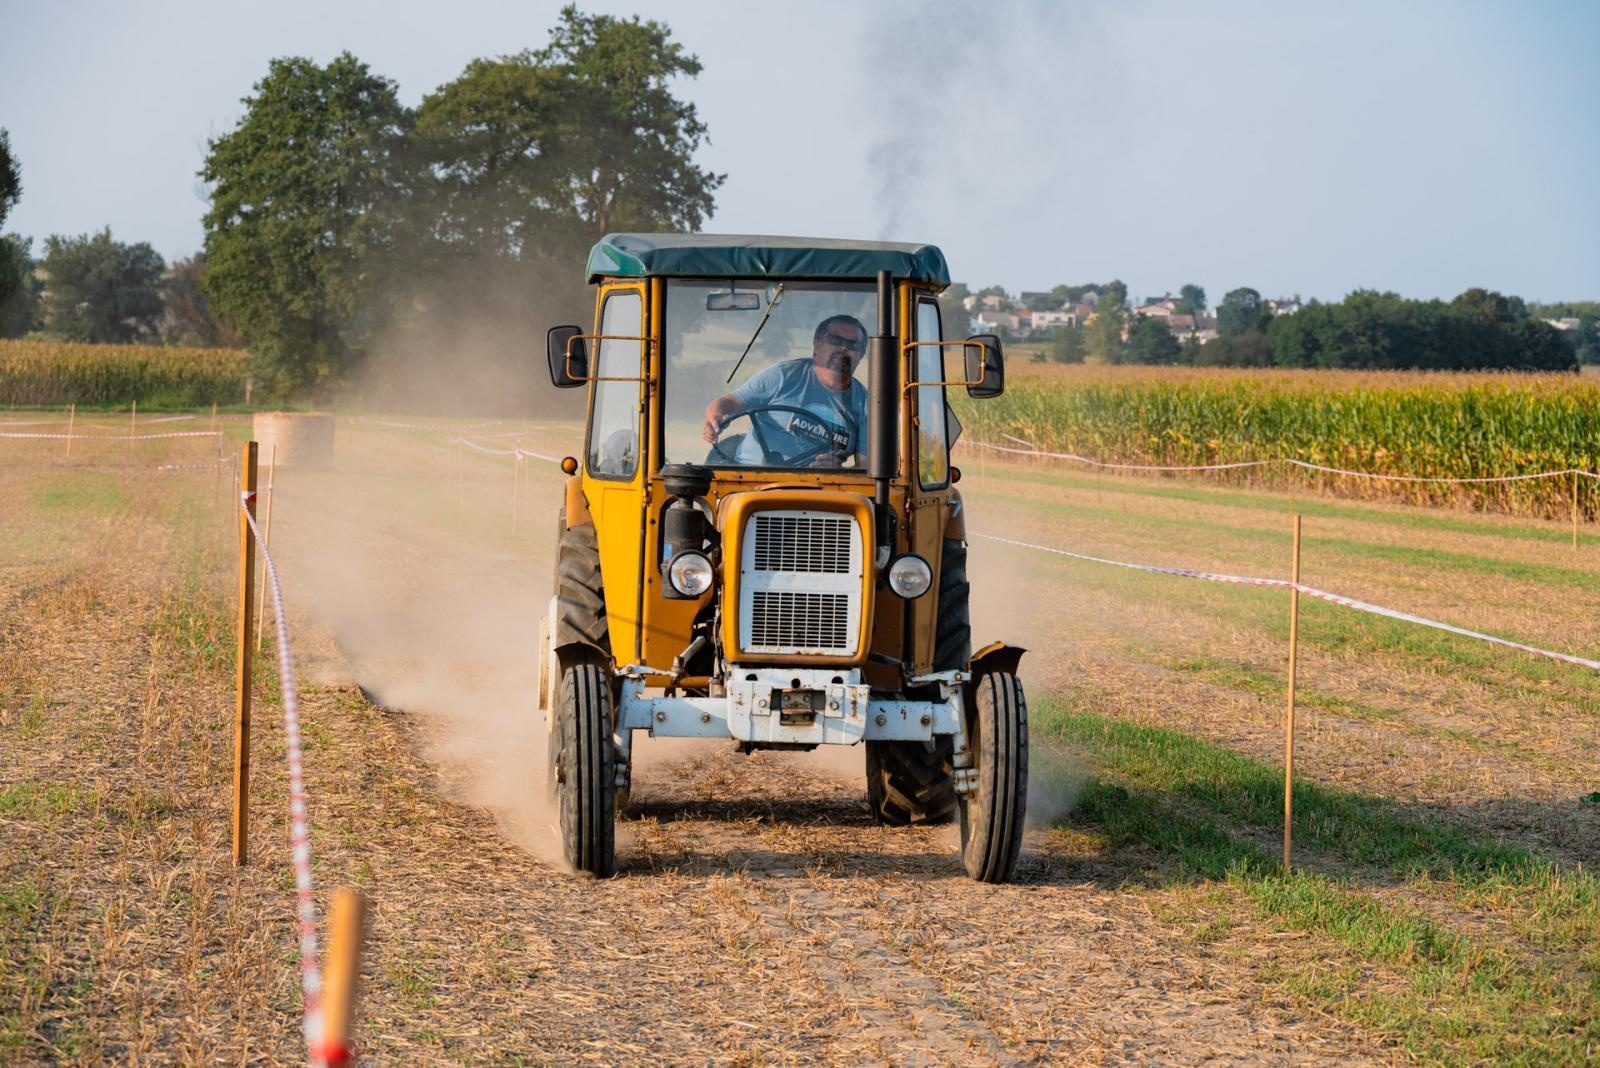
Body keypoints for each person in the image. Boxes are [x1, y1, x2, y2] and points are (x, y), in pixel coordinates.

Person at [701, 314, 869, 467]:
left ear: (861, 355)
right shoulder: (784, 376)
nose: (843, 348)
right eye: (835, 339)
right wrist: (715, 417)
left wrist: (837, 471)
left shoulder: (866, 405)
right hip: (749, 479)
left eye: (853, 344)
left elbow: (865, 467)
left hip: (818, 491)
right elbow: (728, 403)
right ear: (817, 345)